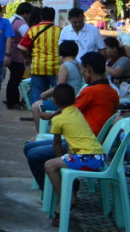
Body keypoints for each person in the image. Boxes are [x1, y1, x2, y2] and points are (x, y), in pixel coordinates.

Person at [24, 52, 118, 189]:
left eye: (82, 70)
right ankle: (58, 186)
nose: (82, 73)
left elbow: (67, 109)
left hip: (81, 144)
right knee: (30, 147)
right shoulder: (112, 91)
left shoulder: (91, 91)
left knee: (33, 154)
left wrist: (51, 116)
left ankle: (57, 191)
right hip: (95, 142)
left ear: (89, 70)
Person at [43, 83, 107, 227]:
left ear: (54, 101)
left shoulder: (58, 119)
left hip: (88, 158)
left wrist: (58, 160)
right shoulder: (77, 111)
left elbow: (57, 144)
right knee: (62, 160)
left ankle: (66, 199)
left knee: (49, 165)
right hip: (98, 156)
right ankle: (67, 197)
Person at [19, 6, 62, 104]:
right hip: (55, 68)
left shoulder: (33, 30)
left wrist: (26, 58)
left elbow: (21, 47)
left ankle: (37, 116)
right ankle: (55, 116)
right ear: (53, 17)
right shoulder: (60, 30)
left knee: (37, 95)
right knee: (58, 94)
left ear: (41, 16)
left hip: (38, 67)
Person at [4, 3, 34, 108]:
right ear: (26, 13)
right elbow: (28, 40)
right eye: (29, 14)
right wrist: (28, 57)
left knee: (13, 79)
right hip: (18, 56)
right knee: (15, 80)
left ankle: (13, 100)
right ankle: (12, 102)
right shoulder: (22, 24)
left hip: (9, 54)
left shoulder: (10, 20)